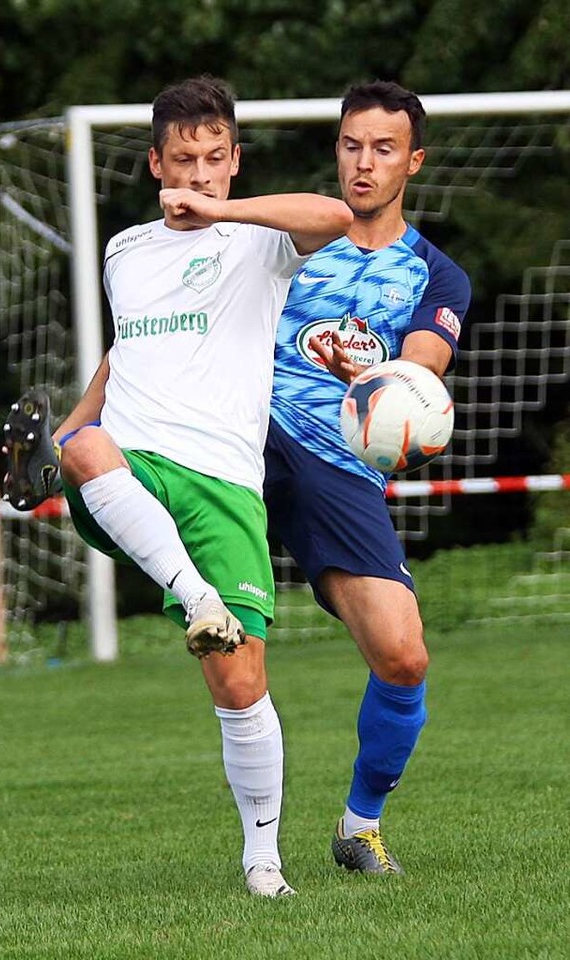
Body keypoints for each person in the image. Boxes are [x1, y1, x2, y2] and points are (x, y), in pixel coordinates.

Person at [1, 75, 353, 898]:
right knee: (88, 447)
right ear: (155, 162)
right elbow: (123, 358)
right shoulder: (124, 250)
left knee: (241, 683)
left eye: (213, 159)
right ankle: (196, 597)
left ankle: (262, 860)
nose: (197, 174)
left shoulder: (257, 238)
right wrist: (59, 441)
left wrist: (226, 212)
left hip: (225, 482)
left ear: (235, 162)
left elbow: (336, 218)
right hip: (136, 460)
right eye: (183, 160)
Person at [264, 80, 472, 875]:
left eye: (383, 148)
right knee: (124, 473)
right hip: (247, 429)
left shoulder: (436, 276)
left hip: (337, 461)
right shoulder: (294, 240)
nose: (363, 161)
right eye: (352, 144)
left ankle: (359, 827)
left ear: (412, 161)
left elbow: (423, 368)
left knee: (404, 655)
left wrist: (392, 386)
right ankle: (76, 474)